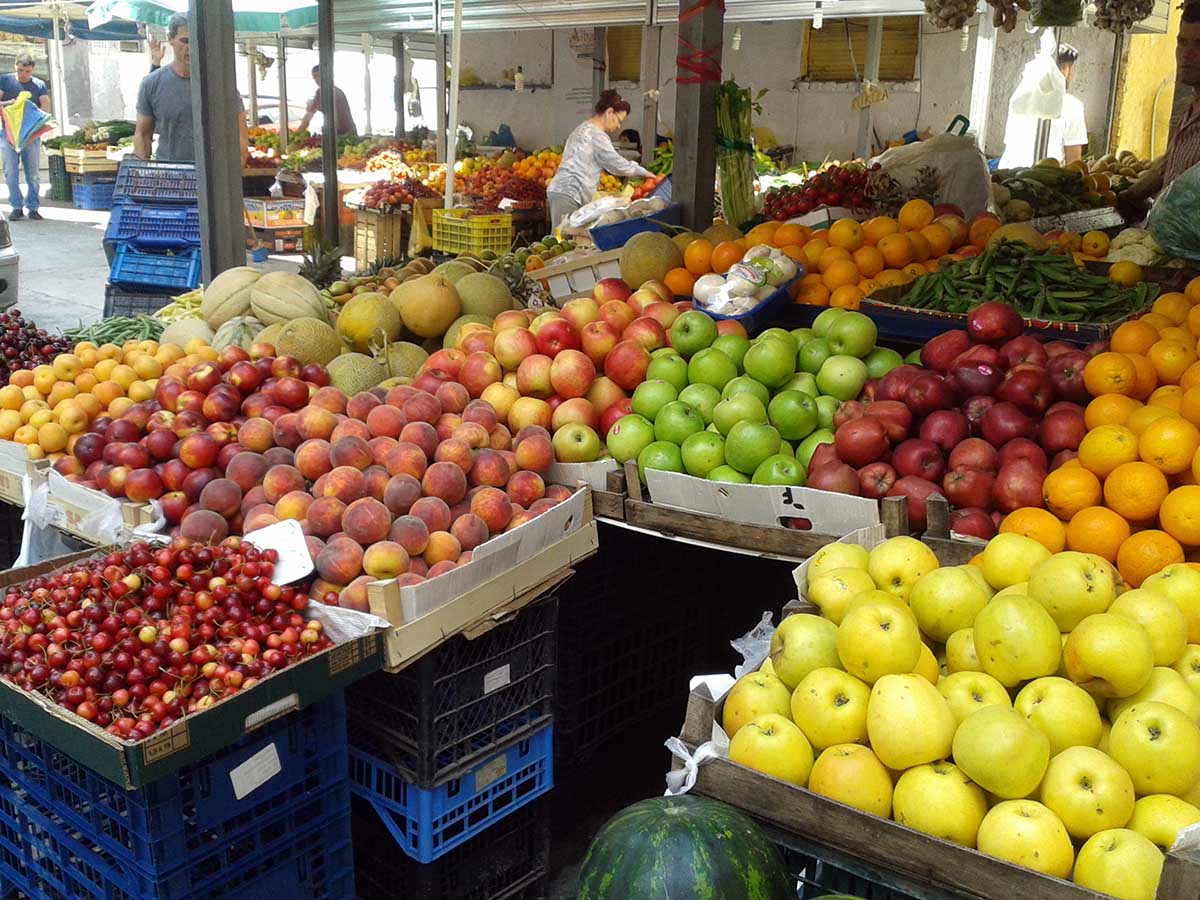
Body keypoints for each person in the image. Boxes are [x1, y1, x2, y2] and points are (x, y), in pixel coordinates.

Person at [1120, 1, 1200, 222]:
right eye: (1182, 43)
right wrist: (1129, 196)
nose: (1187, 54)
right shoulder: (1192, 108)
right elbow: (1169, 166)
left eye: (1199, 45)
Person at [134, 14, 248, 163]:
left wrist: (235, 172)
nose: (191, 48)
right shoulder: (151, 84)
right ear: (170, 39)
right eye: (185, 41)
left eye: (196, 41)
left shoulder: (220, 84)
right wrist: (141, 175)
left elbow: (239, 133)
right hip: (170, 177)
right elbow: (143, 135)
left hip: (214, 179)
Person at [547, 90, 653, 230]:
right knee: (561, 240)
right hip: (569, 192)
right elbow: (616, 164)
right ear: (609, 112)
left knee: (565, 238)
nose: (618, 126)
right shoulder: (595, 135)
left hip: (565, 191)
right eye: (618, 121)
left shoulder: (583, 128)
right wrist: (643, 172)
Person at [999, 43, 1089, 169]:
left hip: (1008, 175)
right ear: (1063, 70)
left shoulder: (1021, 97)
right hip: (1044, 181)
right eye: (1069, 68)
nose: (1071, 75)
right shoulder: (1072, 107)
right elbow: (1073, 163)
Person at [0, 53, 50, 221]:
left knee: (33, 174)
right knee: (10, 172)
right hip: (8, 135)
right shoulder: (5, 81)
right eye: (21, 70)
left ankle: (33, 207)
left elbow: (45, 107)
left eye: (27, 71)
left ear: (32, 70)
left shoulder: (39, 84)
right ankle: (16, 206)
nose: (23, 74)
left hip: (31, 136)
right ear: (15, 67)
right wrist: (10, 104)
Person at [296, 65, 357, 137]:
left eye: (317, 75)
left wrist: (297, 133)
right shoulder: (336, 90)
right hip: (348, 132)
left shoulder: (323, 91)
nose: (316, 79)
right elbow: (311, 111)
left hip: (341, 134)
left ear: (326, 75)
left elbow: (309, 116)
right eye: (314, 77)